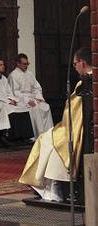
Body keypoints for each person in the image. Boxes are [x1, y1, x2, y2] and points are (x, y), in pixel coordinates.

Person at [20, 48, 94, 201]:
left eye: (74, 64)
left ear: (82, 62)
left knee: (46, 139)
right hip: (82, 126)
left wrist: (61, 127)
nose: (75, 68)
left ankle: (51, 189)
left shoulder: (84, 83)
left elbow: (71, 113)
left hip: (76, 129)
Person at [0, 58, 34, 141]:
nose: (3, 66)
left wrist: (13, 100)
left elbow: (9, 92)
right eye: (0, 65)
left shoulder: (3, 78)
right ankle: (10, 136)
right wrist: (9, 101)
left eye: (3, 65)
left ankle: (24, 135)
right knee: (10, 109)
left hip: (4, 100)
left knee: (22, 106)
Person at [8, 53, 53, 138]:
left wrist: (39, 97)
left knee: (46, 106)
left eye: (27, 63)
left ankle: (48, 134)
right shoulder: (13, 75)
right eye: (24, 64)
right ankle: (37, 135)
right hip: (21, 100)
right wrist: (27, 100)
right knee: (34, 107)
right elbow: (15, 92)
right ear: (18, 63)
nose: (26, 66)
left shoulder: (30, 74)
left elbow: (36, 87)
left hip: (33, 97)